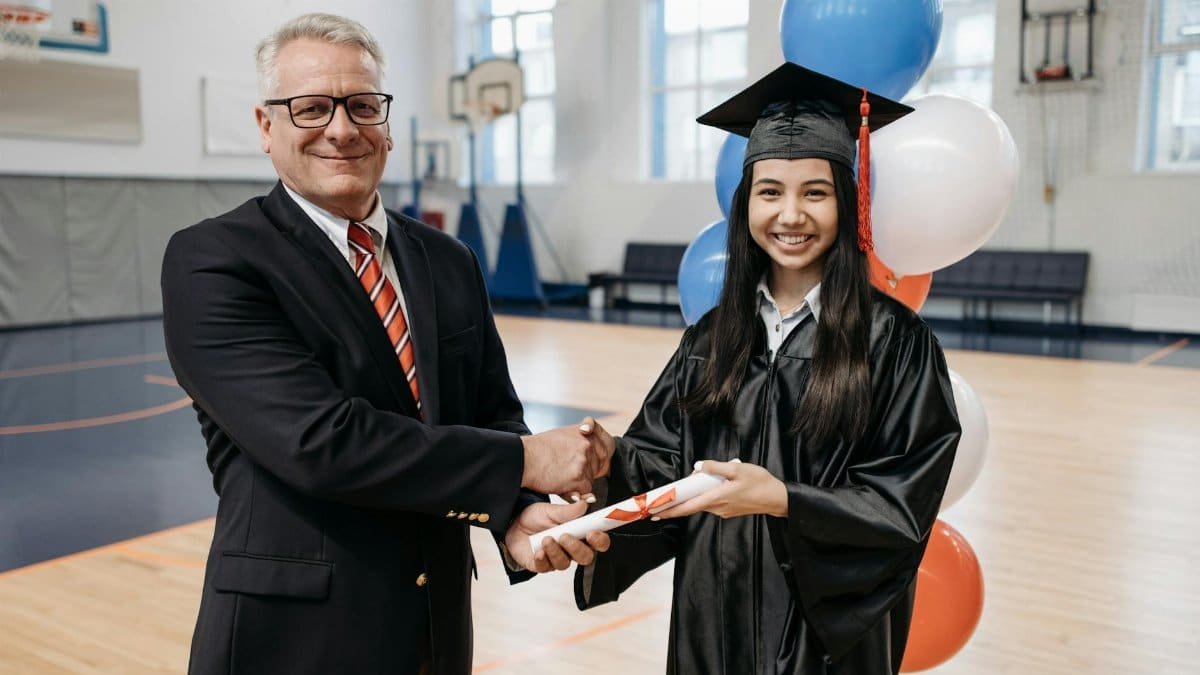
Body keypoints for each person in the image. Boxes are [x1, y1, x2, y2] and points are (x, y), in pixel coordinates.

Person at [161, 13, 609, 675]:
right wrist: (523, 462)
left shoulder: (447, 259)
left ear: (387, 121)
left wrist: (516, 517)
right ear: (266, 126)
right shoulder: (214, 260)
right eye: (311, 108)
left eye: (362, 105)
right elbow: (324, 442)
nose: (341, 129)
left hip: (435, 631)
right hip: (292, 640)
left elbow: (489, 410)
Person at [574, 63, 962, 673]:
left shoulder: (896, 343)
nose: (790, 215)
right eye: (770, 192)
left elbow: (902, 504)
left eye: (815, 192)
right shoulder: (712, 337)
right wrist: (609, 464)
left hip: (824, 640)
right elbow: (665, 464)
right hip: (713, 620)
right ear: (745, 204)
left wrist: (784, 499)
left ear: (848, 201)